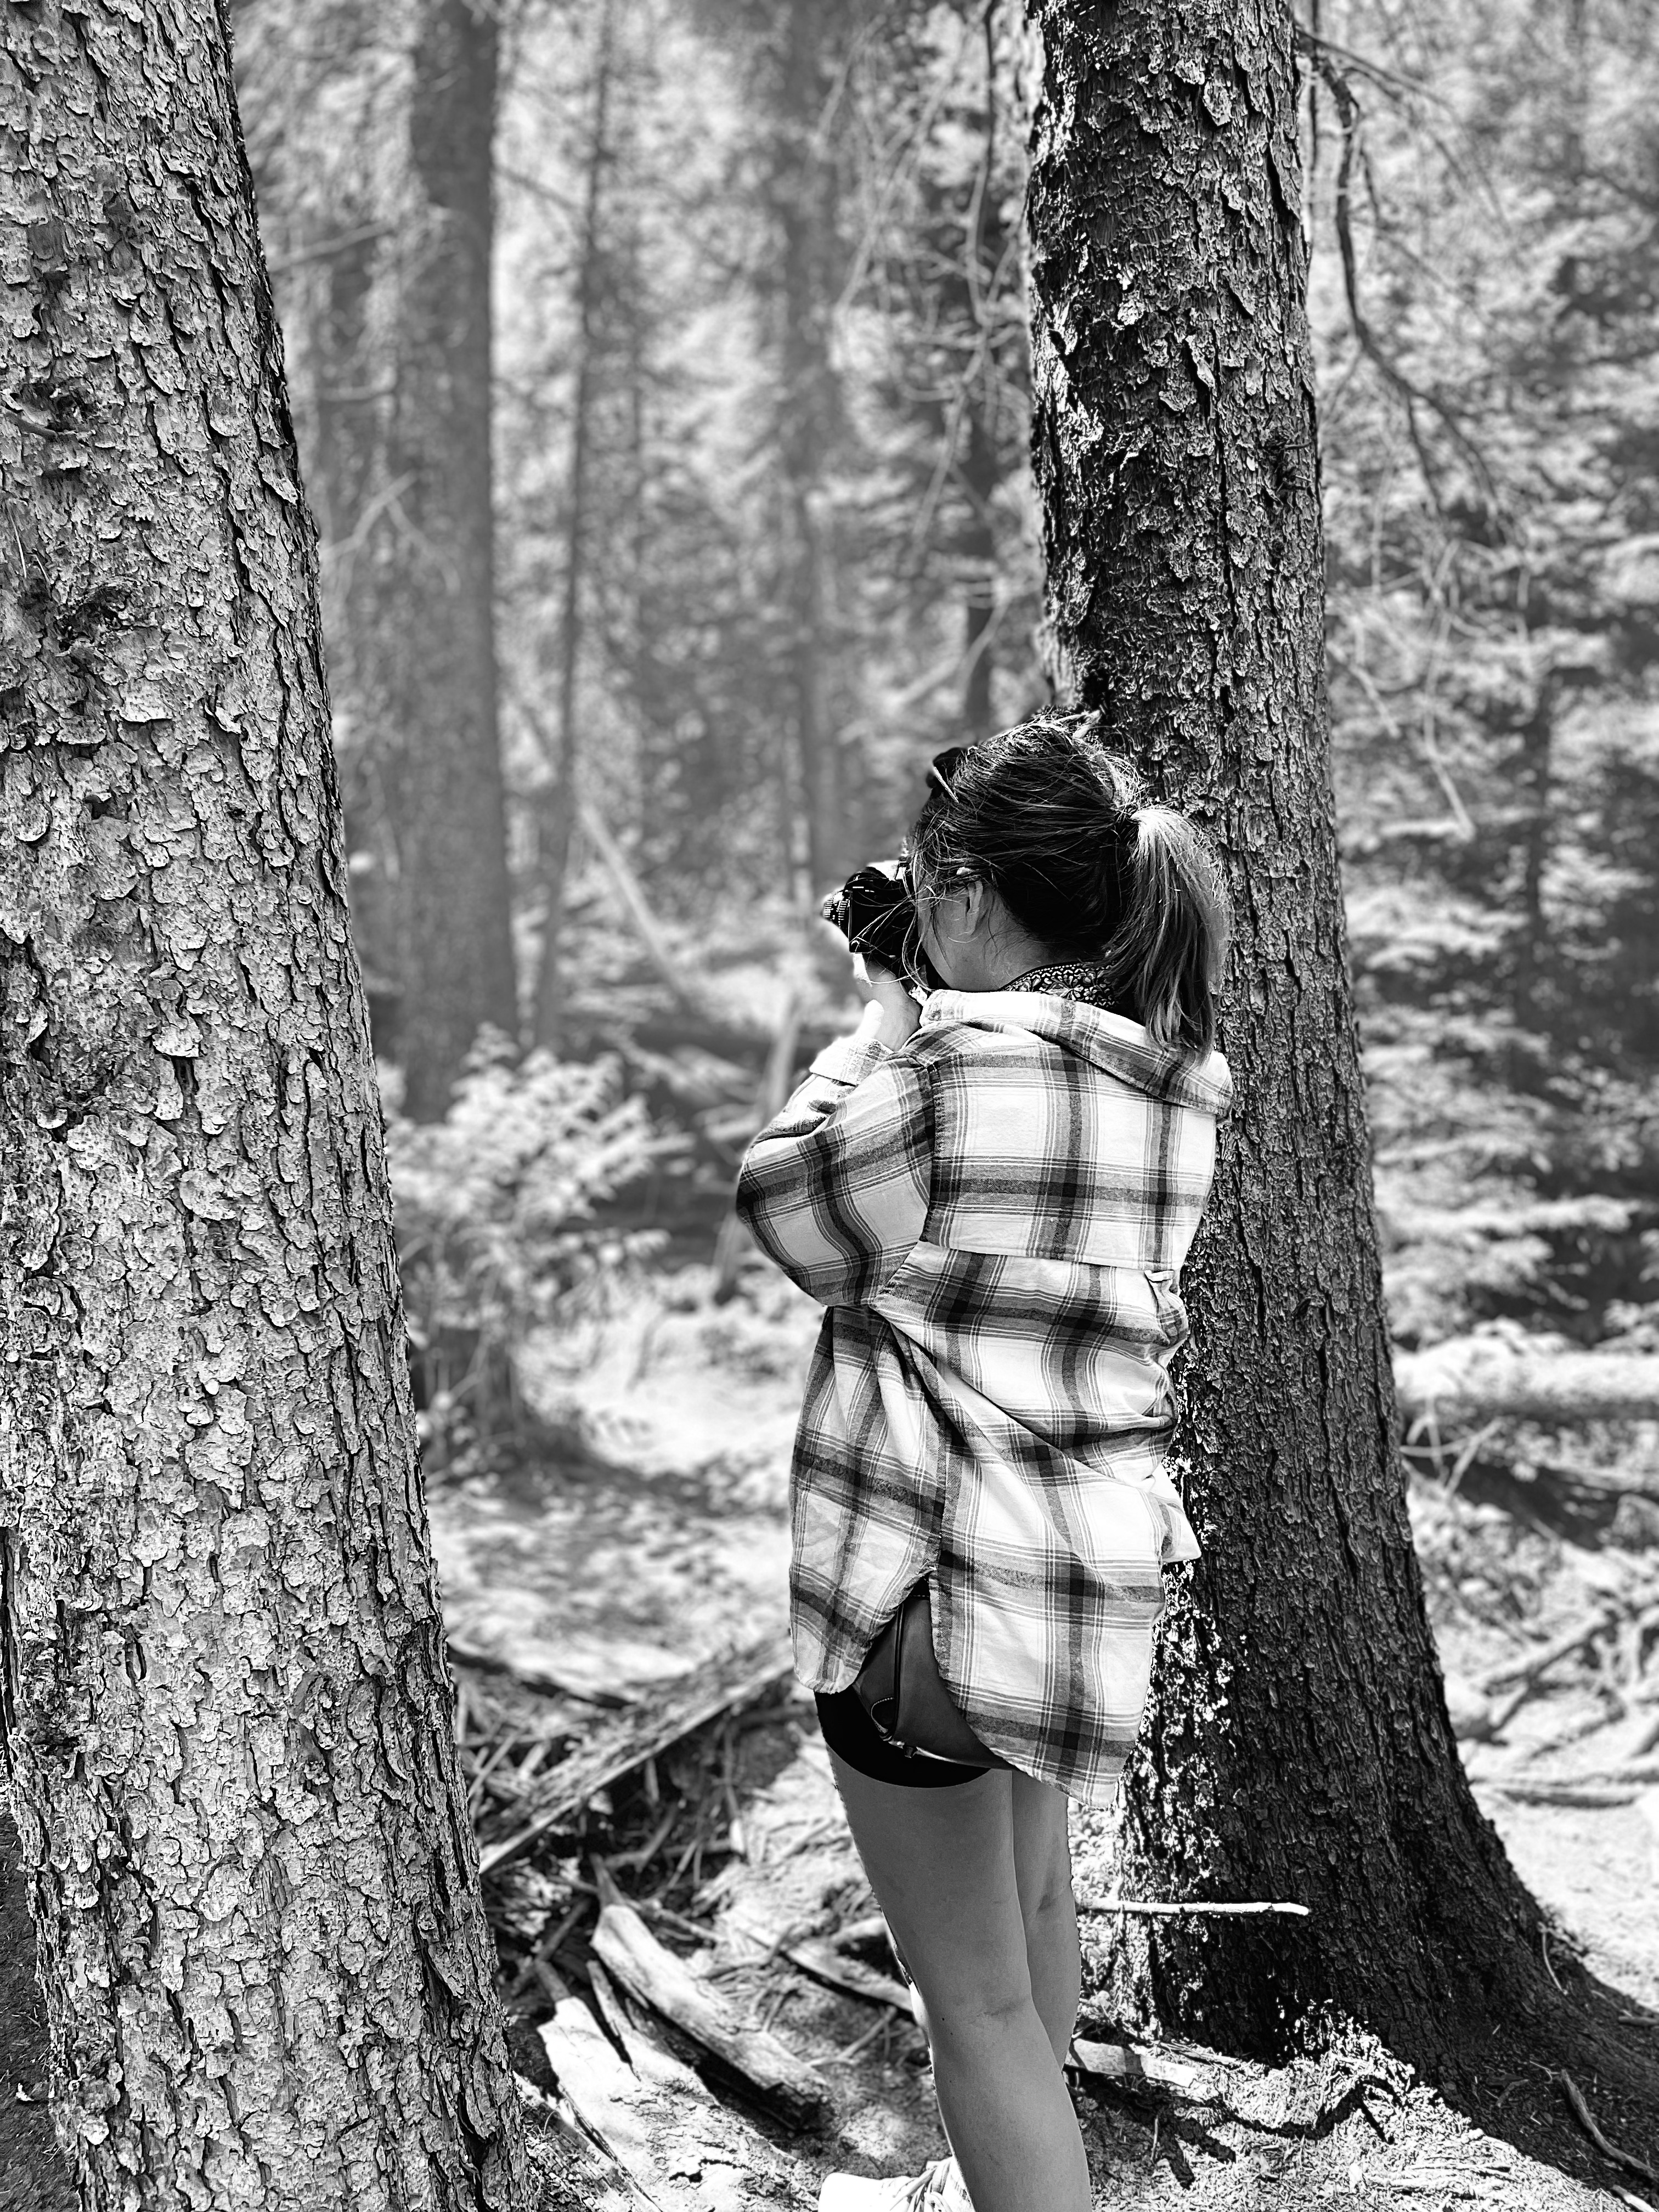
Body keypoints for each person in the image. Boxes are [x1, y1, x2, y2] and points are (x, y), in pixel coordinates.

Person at [735, 714, 1233, 2212]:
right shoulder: (1175, 1089)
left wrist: (878, 1024)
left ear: (960, 897)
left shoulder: (942, 1082)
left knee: (981, 2016)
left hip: (931, 1598)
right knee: (1033, 1946)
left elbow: (787, 1210)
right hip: (1077, 1592)